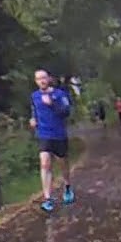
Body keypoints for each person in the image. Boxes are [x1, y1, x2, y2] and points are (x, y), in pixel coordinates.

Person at [29, 69, 74, 212]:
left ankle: (67, 186)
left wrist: (52, 104)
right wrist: (33, 119)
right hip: (44, 134)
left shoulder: (60, 94)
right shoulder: (34, 96)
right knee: (45, 163)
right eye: (38, 79)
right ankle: (48, 198)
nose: (41, 81)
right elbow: (34, 110)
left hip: (59, 134)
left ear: (49, 79)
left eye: (43, 78)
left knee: (62, 163)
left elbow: (66, 112)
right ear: (36, 81)